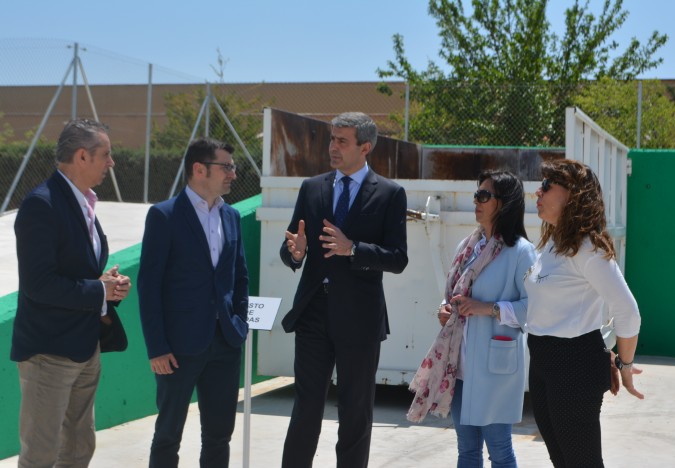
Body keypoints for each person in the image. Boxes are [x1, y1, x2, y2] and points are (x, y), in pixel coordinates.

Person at [280, 112, 408, 468]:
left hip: (359, 320)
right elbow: (293, 242)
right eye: (331, 139)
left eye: (342, 141)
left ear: (364, 147)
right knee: (305, 408)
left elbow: (398, 258)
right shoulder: (312, 187)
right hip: (312, 315)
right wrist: (296, 252)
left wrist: (353, 248)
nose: (332, 147)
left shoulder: (390, 194)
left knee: (355, 412)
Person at [11, 119, 131, 467]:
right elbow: (39, 284)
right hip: (49, 354)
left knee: (79, 450)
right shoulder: (41, 205)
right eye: (105, 155)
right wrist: (99, 291)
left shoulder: (83, 202)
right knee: (41, 455)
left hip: (84, 347)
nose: (111, 163)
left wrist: (103, 283)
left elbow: (73, 270)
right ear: (82, 156)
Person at [408, 171, 536, 467]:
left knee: (500, 451)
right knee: (466, 451)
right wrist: (445, 309)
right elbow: (454, 294)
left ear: (504, 203)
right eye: (476, 194)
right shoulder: (469, 247)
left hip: (495, 368)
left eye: (484, 196)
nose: (476, 201)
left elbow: (533, 311)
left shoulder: (521, 253)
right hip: (460, 366)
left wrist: (486, 308)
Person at [137, 138, 249, 468]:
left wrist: (238, 323)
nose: (233, 173)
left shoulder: (231, 216)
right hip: (177, 348)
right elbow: (149, 285)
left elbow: (240, 276)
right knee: (168, 434)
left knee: (219, 435)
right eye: (226, 166)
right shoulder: (164, 216)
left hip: (226, 343)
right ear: (199, 169)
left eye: (233, 166)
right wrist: (156, 347)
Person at [525, 159, 643, 467]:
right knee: (563, 461)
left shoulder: (586, 247)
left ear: (572, 195)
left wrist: (625, 363)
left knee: (582, 462)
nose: (538, 191)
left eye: (548, 185)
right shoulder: (552, 243)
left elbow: (628, 312)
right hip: (543, 361)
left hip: (573, 366)